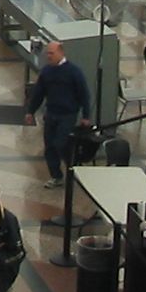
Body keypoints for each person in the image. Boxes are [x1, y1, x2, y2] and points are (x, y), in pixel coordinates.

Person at [22, 39, 92, 189]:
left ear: (61, 52)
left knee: (60, 143)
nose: (49, 56)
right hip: (51, 113)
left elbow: (84, 94)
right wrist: (30, 111)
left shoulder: (74, 72)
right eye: (48, 53)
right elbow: (39, 93)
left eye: (52, 53)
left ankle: (72, 167)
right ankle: (56, 176)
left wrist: (86, 115)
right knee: (49, 147)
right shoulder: (46, 72)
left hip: (67, 115)